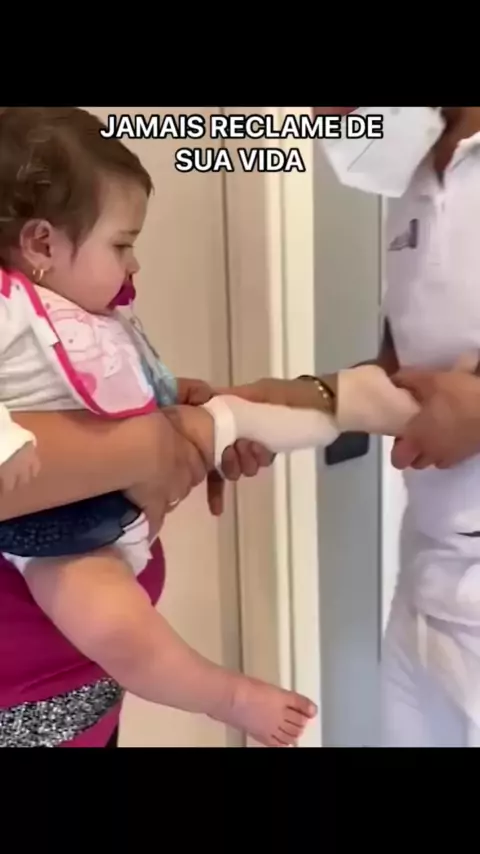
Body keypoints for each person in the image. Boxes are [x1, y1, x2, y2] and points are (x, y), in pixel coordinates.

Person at [0, 106, 317, 748]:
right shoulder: (9, 311)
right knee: (116, 622)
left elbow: (99, 392)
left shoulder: (78, 313)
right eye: (122, 245)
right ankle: (226, 696)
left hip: (91, 710)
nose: (134, 264)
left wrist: (171, 401)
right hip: (49, 544)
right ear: (42, 245)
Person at [217, 107, 480, 748]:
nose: (325, 118)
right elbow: (404, 376)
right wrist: (285, 407)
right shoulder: (419, 178)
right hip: (429, 578)